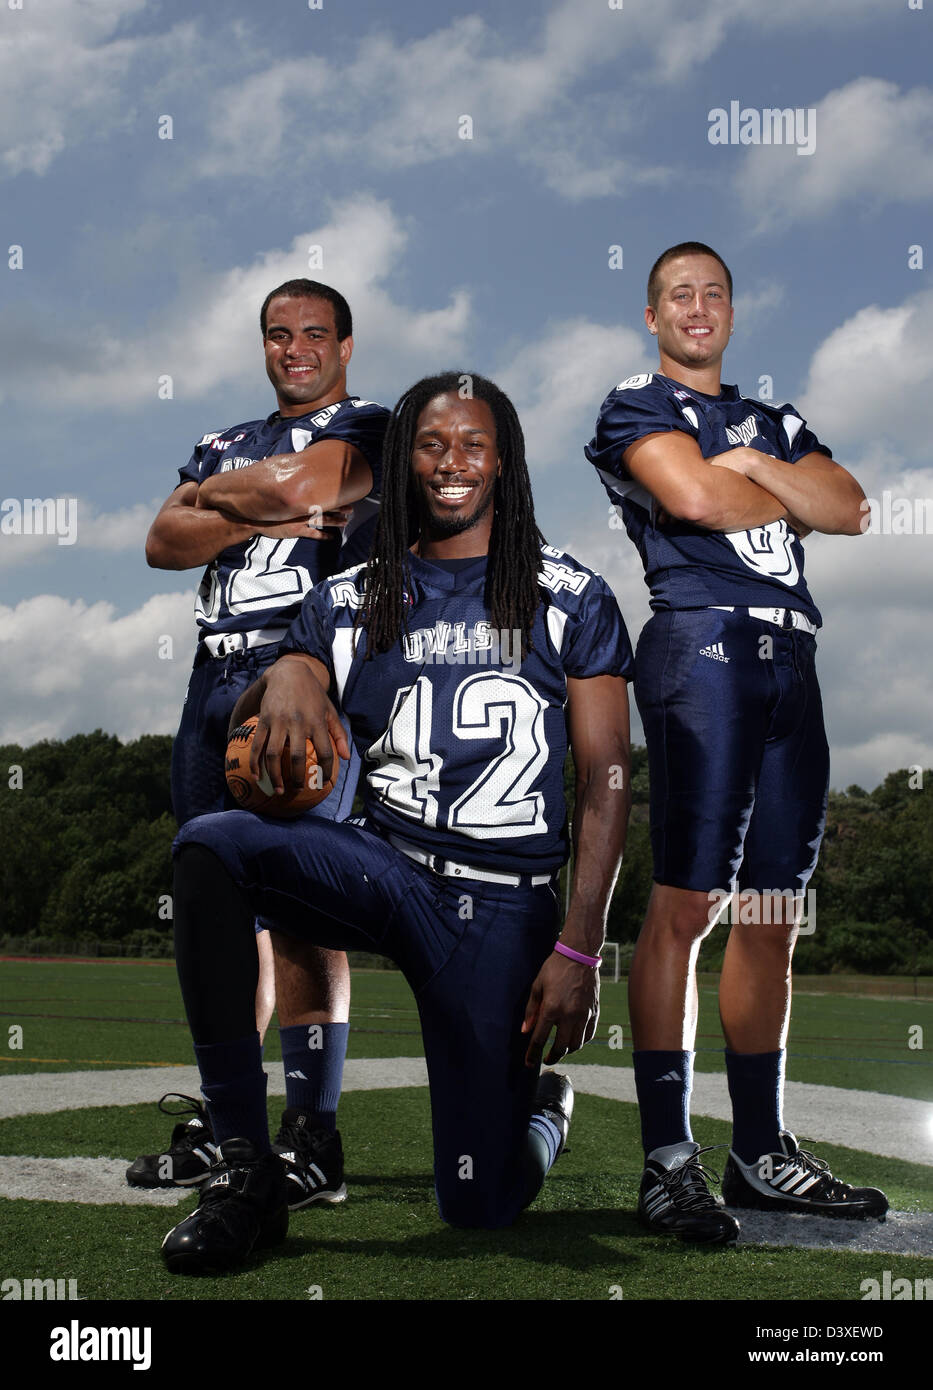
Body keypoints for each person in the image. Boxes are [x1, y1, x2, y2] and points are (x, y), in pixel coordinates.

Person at [159, 371, 634, 1273]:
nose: (451, 463)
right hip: (391, 874)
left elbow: (606, 779)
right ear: (400, 460)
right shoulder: (348, 596)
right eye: (429, 443)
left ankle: (541, 1112)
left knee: (478, 1204)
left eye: (473, 444)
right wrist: (291, 672)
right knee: (211, 844)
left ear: (505, 461)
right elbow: (271, 710)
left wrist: (579, 949)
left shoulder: (569, 593)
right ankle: (245, 1169)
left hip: (504, 910)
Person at [586, 242, 888, 1244]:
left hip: (791, 662)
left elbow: (848, 506)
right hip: (702, 647)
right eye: (679, 293)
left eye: (714, 293)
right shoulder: (634, 404)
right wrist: (777, 487)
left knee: (774, 911)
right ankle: (668, 1157)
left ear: (731, 309)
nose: (698, 306)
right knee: (685, 903)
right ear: (652, 313)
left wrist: (758, 460)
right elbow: (694, 501)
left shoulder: (773, 420)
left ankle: (758, 1149)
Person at [133, 280, 389, 1208]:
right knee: (213, 901)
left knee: (301, 909)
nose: (295, 349)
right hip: (209, 678)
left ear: (345, 344)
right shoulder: (222, 441)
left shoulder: (369, 424)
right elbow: (165, 540)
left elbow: (315, 484)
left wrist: (236, 505)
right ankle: (226, 1120)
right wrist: (262, 508)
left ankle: (312, 1133)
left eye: (314, 334)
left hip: (297, 671)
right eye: (279, 335)